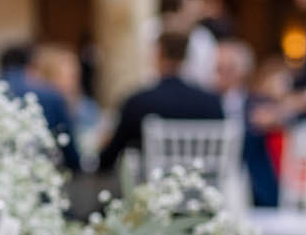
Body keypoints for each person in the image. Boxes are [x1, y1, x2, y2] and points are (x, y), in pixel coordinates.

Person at [96, 31, 226, 175]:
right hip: (203, 188)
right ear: (186, 56)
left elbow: (112, 154)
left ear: (159, 53)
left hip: (155, 189)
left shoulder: (139, 102)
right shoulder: (211, 103)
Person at [215, 39, 279, 207]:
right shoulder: (206, 104)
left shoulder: (259, 103)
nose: (220, 76)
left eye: (227, 69)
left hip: (253, 183)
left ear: (241, 72)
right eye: (218, 69)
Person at [0, 42, 80, 172]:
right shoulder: (51, 99)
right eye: (70, 77)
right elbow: (72, 158)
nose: (74, 83)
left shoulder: (80, 105)